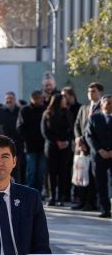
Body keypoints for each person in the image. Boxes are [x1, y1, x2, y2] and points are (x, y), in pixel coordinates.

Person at [73, 82, 104, 211]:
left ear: (100, 93)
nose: (90, 94)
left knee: (92, 176)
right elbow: (77, 125)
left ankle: (91, 202)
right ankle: (82, 200)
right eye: (89, 91)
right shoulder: (84, 108)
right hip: (81, 148)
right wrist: (78, 138)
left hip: (94, 148)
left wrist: (90, 143)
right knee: (81, 174)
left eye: (93, 91)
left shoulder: (104, 107)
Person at [41, 93, 73, 206]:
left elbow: (72, 130)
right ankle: (52, 197)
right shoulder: (47, 114)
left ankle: (60, 198)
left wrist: (67, 142)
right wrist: (56, 142)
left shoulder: (68, 113)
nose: (65, 101)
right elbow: (45, 131)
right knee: (52, 172)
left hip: (65, 148)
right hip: (52, 147)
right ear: (58, 101)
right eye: (64, 99)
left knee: (63, 172)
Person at [85, 94, 112, 218]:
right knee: (101, 183)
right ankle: (105, 209)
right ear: (102, 105)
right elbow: (89, 136)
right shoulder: (94, 118)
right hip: (98, 156)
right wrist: (100, 150)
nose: (110, 105)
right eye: (108, 103)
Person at [17, 90, 47, 193]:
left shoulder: (44, 109)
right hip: (30, 146)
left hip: (43, 145)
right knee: (31, 170)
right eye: (39, 98)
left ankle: (38, 191)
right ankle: (30, 192)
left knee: (41, 171)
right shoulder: (24, 110)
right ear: (33, 98)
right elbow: (20, 127)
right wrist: (27, 140)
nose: (41, 100)